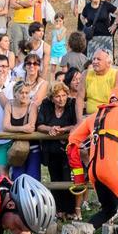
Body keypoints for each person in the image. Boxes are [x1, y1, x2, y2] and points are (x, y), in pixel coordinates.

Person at [68, 86, 118, 231]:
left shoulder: (93, 116)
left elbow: (73, 139)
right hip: (110, 167)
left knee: (108, 209)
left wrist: (78, 172)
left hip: (93, 171)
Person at [35, 81, 78, 217]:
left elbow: (78, 124)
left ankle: (70, 210)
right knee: (54, 177)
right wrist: (50, 129)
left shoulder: (72, 104)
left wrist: (64, 130)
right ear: (52, 98)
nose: (61, 99)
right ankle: (58, 210)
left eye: (64, 95)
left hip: (68, 149)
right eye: (58, 96)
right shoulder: (46, 105)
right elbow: (39, 125)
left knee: (67, 178)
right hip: (51, 149)